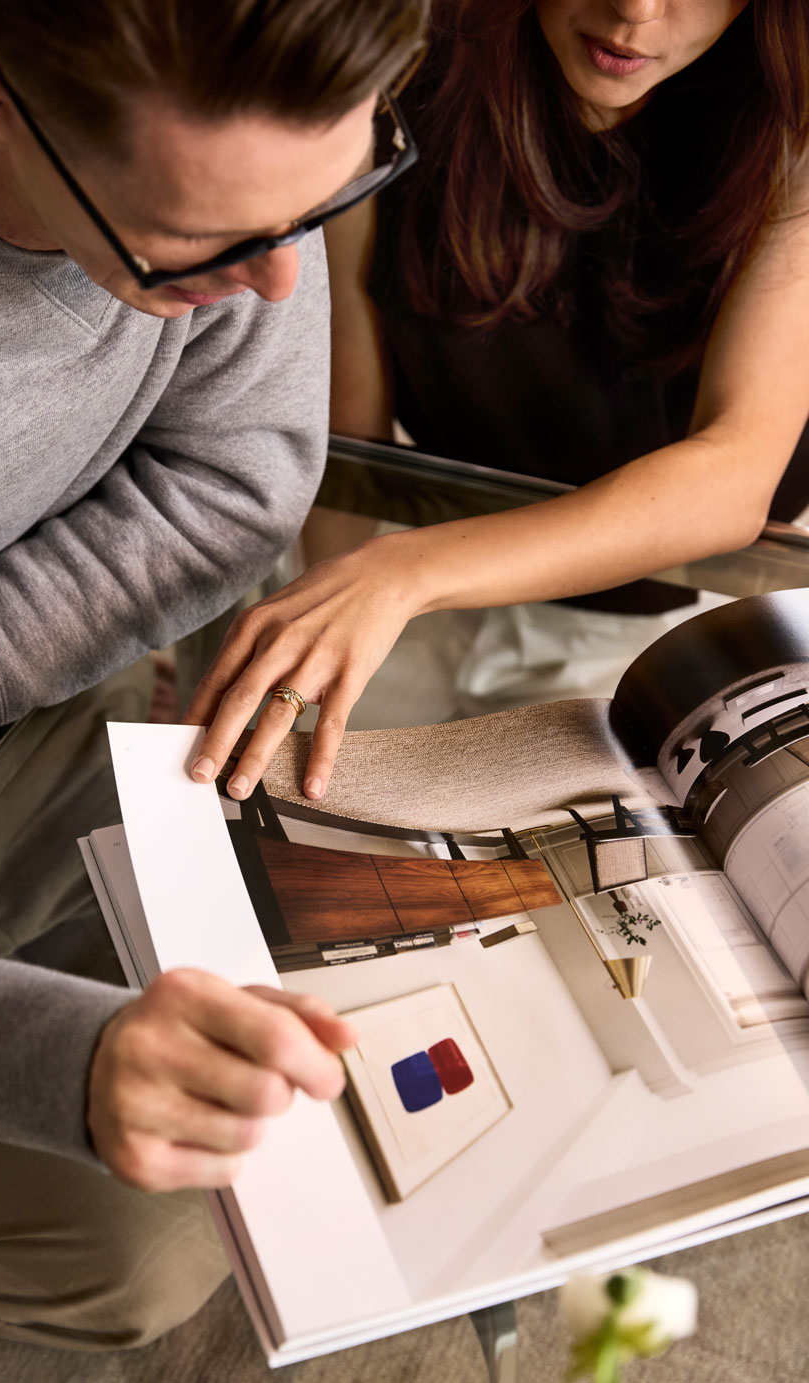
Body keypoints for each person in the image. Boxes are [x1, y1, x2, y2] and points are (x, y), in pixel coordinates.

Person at [0, 0, 427, 1354]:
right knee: (165, 1235)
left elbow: (235, 484)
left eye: (325, 202)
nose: (287, 289)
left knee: (374, 1004)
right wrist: (56, 1060)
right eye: (202, 249)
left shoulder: (220, 170)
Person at [186, 0, 809, 803]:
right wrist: (334, 589)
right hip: (424, 542)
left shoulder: (787, 121)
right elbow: (350, 406)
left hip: (654, 606)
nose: (635, 10)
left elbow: (733, 473)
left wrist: (399, 574)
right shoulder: (400, 53)